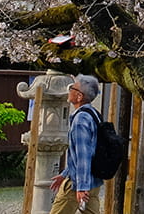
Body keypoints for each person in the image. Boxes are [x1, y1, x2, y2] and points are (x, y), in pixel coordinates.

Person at [50, 74, 103, 214]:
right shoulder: (93, 114)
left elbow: (83, 155)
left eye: (71, 88)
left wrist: (81, 187)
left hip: (77, 183)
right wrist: (64, 173)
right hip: (94, 180)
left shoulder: (80, 120)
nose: (69, 90)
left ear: (79, 96)